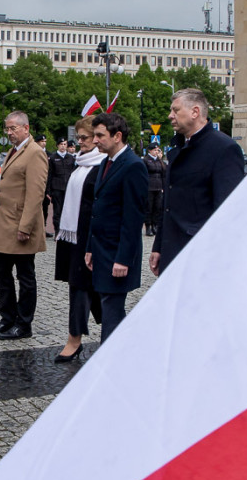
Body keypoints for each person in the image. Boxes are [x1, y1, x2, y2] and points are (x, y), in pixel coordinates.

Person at [150, 88, 244, 277]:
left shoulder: (224, 148)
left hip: (201, 252)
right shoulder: (178, 146)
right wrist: (158, 246)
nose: (170, 116)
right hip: (172, 248)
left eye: (176, 110)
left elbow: (227, 208)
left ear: (195, 112)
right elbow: (168, 205)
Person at [0, 111, 48, 341]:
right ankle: (7, 319)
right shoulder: (15, 150)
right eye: (7, 128)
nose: (9, 133)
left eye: (12, 128)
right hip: (6, 224)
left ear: (26, 128)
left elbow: (35, 194)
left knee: (25, 275)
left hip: (21, 225)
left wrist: (26, 226)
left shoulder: (35, 153)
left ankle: (24, 324)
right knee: (1, 269)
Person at [85, 112, 148, 343]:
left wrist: (123, 258)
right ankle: (117, 354)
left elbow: (133, 218)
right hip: (101, 250)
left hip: (117, 253)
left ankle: (109, 360)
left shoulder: (133, 166)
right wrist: (91, 247)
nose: (95, 141)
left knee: (112, 309)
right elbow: (98, 209)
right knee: (107, 305)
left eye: (100, 135)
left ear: (117, 136)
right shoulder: (106, 163)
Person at [53, 117, 106, 363]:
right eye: (79, 138)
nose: (81, 142)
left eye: (85, 137)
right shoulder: (80, 163)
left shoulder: (104, 165)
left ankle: (75, 339)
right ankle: (112, 330)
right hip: (73, 237)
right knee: (82, 287)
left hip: (91, 238)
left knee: (84, 288)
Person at [45, 138, 76, 237]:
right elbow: (50, 174)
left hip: (68, 188)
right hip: (57, 188)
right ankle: (58, 231)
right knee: (57, 211)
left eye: (65, 144)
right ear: (57, 145)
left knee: (68, 211)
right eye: (61, 144)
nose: (63, 146)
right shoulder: (53, 158)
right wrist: (48, 191)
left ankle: (67, 232)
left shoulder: (70, 158)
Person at [143, 142, 166, 236]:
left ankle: (155, 225)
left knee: (158, 207)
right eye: (154, 150)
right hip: (149, 186)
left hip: (158, 186)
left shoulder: (159, 161)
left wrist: (163, 186)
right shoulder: (146, 160)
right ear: (150, 151)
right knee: (149, 207)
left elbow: (164, 173)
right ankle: (148, 226)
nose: (156, 152)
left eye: (157, 150)